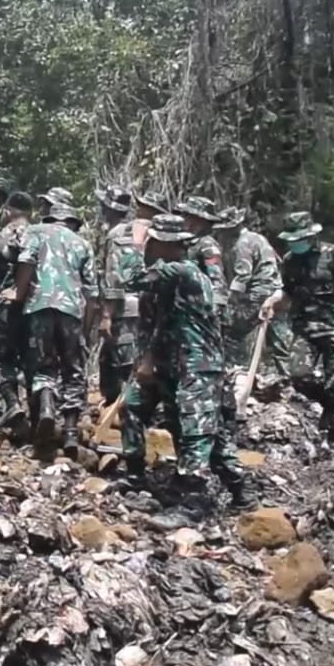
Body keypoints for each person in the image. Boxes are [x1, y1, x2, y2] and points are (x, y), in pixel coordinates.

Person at [118, 214, 249, 505]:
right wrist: (148, 359)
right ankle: (136, 473)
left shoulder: (181, 271)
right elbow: (161, 323)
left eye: (154, 242)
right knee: (134, 406)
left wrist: (135, 244)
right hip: (172, 364)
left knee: (196, 430)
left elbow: (130, 278)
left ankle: (196, 500)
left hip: (198, 365)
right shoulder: (167, 276)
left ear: (169, 245)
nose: (150, 246)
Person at [261, 212, 334, 445]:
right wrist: (272, 301)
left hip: (333, 328)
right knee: (299, 376)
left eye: (299, 239)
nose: (294, 244)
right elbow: (286, 290)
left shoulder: (333, 255)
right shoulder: (289, 260)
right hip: (304, 329)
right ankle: (330, 404)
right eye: (291, 240)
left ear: (311, 236)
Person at [15, 200, 98, 451]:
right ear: (72, 223)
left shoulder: (35, 232)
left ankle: (47, 406)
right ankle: (71, 432)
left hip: (39, 308)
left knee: (42, 365)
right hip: (70, 311)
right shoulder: (82, 243)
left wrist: (19, 295)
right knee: (73, 370)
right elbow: (92, 293)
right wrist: (86, 328)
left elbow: (26, 261)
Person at [0, 191, 34, 431]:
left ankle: (12, 404)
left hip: (6, 308)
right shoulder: (39, 235)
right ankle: (40, 413)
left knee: (1, 361)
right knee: (33, 360)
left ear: (9, 210)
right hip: (35, 307)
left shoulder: (1, 237)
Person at [218, 206, 292, 379]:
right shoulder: (258, 238)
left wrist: (232, 298)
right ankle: (286, 375)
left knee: (233, 332)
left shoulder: (241, 244)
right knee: (278, 336)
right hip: (275, 290)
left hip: (257, 292)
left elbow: (243, 274)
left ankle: (238, 370)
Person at [95, 186, 143, 408]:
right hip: (140, 305)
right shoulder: (138, 231)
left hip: (123, 309)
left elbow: (114, 279)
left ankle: (126, 411)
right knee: (114, 359)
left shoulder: (116, 236)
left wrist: (106, 316)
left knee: (122, 362)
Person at [176, 196, 228, 321]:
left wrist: (216, 307)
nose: (185, 219)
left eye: (189, 216)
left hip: (200, 307)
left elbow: (216, 278)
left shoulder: (207, 245)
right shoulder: (184, 242)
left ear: (200, 221)